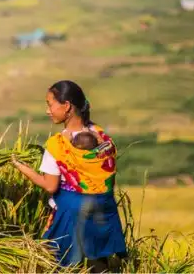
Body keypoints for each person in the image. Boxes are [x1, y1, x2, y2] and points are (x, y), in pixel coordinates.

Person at [11, 80, 126, 272]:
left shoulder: (57, 145)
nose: (47, 110)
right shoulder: (102, 136)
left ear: (67, 106)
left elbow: (50, 186)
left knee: (61, 266)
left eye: (50, 104)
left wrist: (22, 167)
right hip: (102, 214)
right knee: (99, 267)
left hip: (71, 217)